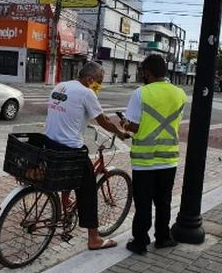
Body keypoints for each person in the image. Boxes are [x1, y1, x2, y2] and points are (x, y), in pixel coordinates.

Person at [45, 61, 130, 250]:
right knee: (89, 190)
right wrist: (120, 133)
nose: (99, 85)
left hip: (50, 144)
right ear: (90, 79)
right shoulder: (87, 92)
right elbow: (103, 120)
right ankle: (94, 238)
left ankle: (65, 202)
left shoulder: (61, 85)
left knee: (70, 177)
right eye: (99, 81)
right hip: (70, 149)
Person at [121, 54, 187, 255]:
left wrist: (124, 123)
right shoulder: (180, 94)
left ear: (148, 72)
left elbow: (134, 126)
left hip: (144, 161)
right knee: (163, 202)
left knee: (143, 204)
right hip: (168, 159)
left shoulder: (141, 93)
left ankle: (140, 242)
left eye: (142, 71)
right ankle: (163, 238)